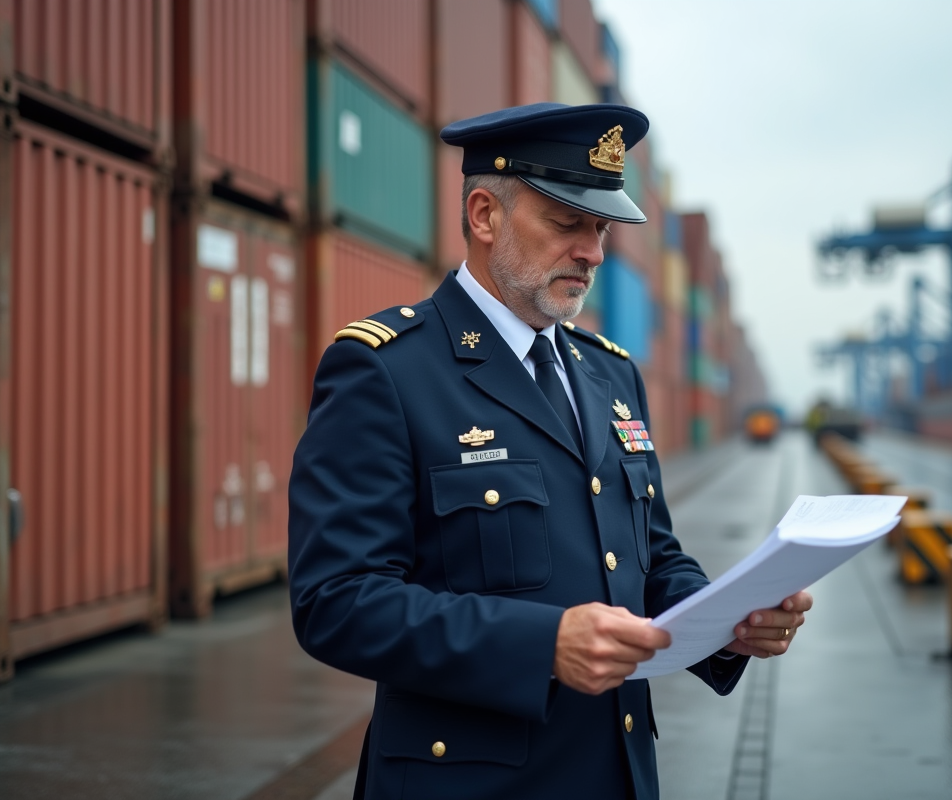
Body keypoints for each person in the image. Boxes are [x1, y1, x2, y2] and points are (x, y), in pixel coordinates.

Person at [288, 102, 814, 800]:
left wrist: (729, 623)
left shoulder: (611, 373)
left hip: (615, 776)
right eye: (568, 222)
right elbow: (337, 600)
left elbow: (651, 558)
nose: (593, 252)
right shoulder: (387, 370)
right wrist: (541, 645)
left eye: (600, 228)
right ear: (484, 215)